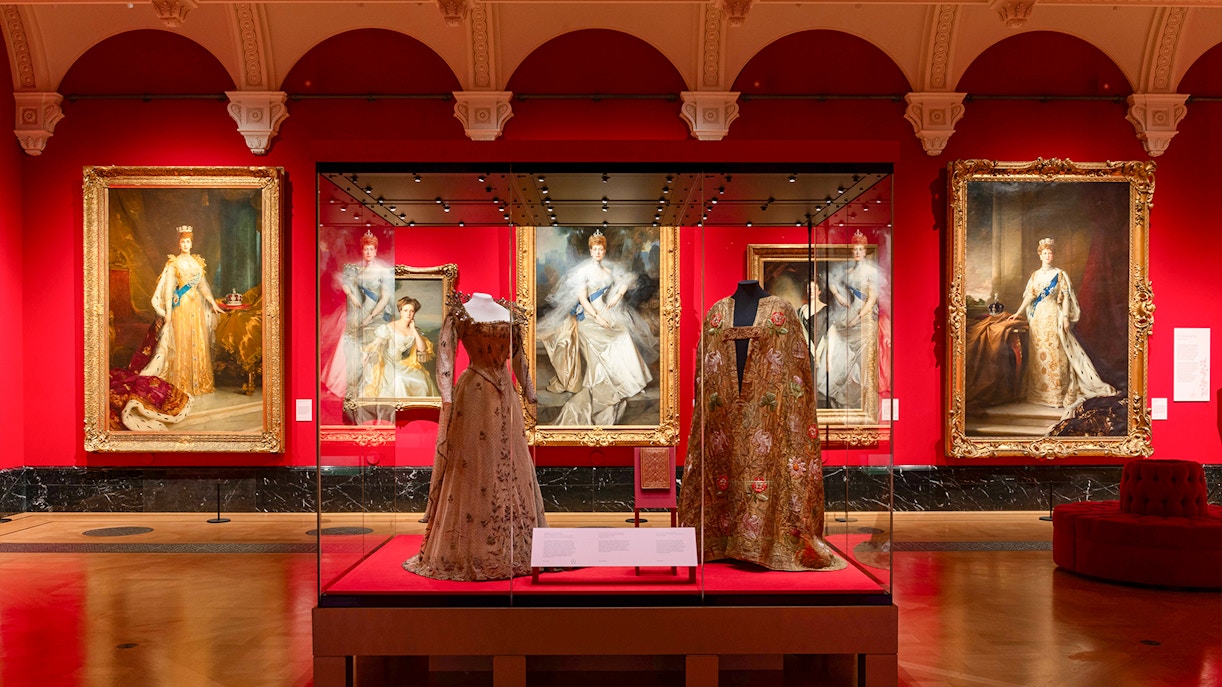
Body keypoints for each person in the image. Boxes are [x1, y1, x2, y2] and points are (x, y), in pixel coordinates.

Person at [677, 284, 842, 572]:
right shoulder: (717, 312)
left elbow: (796, 368)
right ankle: (720, 540)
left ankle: (768, 544)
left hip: (770, 414)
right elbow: (705, 372)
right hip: (722, 415)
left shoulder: (781, 311)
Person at [403, 291, 548, 581]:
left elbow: (519, 359)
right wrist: (446, 397)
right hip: (474, 395)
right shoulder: (461, 312)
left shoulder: (510, 314)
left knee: (508, 463)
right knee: (474, 467)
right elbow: (444, 357)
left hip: (506, 395)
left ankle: (516, 545)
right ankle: (473, 547)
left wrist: (529, 391)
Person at [536, 229, 657, 426]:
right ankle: (618, 383)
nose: (598, 252)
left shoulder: (609, 270)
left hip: (608, 312)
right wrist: (598, 318)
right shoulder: (584, 272)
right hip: (589, 317)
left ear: (604, 251)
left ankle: (631, 382)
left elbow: (625, 282)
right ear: (591, 251)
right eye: (595, 249)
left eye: (601, 249)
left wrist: (617, 295)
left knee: (623, 335)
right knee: (607, 340)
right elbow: (583, 299)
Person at [1008, 237, 1118, 410]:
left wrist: (1065, 317)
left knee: (1057, 354)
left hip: (1054, 317)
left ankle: (1057, 395)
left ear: (1053, 255)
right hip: (1038, 319)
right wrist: (1018, 312)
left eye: (1050, 253)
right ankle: (1040, 395)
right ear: (1040, 256)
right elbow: (1030, 296)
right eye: (1044, 253)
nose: (1047, 256)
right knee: (1038, 355)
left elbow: (1066, 298)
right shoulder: (1035, 276)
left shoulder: (1060, 275)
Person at [140, 225, 224, 396]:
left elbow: (203, 287)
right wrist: (169, 314)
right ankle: (183, 382)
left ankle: (199, 381)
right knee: (182, 341)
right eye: (182, 242)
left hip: (196, 307)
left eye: (188, 241)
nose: (185, 244)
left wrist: (212, 303)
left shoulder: (197, 262)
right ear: (178, 244)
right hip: (182, 307)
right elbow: (169, 290)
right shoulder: (174, 263)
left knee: (197, 340)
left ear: (191, 243)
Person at [821, 230, 879, 409]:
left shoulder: (871, 271)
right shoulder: (848, 270)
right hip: (848, 311)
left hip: (863, 315)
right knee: (836, 341)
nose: (857, 252)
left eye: (860, 249)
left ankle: (860, 400)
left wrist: (858, 319)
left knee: (860, 360)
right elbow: (830, 279)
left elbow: (872, 299)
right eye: (855, 249)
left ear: (865, 251)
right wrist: (837, 294)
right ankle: (836, 391)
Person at [338, 230, 395, 399]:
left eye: (371, 249)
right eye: (365, 249)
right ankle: (353, 386)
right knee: (351, 344)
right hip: (359, 310)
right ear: (362, 251)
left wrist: (370, 316)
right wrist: (351, 295)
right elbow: (345, 283)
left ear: (376, 251)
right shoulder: (360, 271)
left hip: (375, 313)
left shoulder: (382, 271)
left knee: (370, 351)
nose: (368, 252)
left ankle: (369, 387)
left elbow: (385, 298)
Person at [359, 296, 439, 398]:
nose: (408, 313)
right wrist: (366, 352)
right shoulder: (390, 327)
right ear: (400, 312)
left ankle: (416, 409)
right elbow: (377, 343)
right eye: (405, 310)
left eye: (412, 311)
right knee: (400, 379)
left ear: (414, 313)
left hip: (403, 362)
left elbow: (422, 349)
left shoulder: (414, 330)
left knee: (422, 381)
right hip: (388, 362)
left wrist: (413, 329)